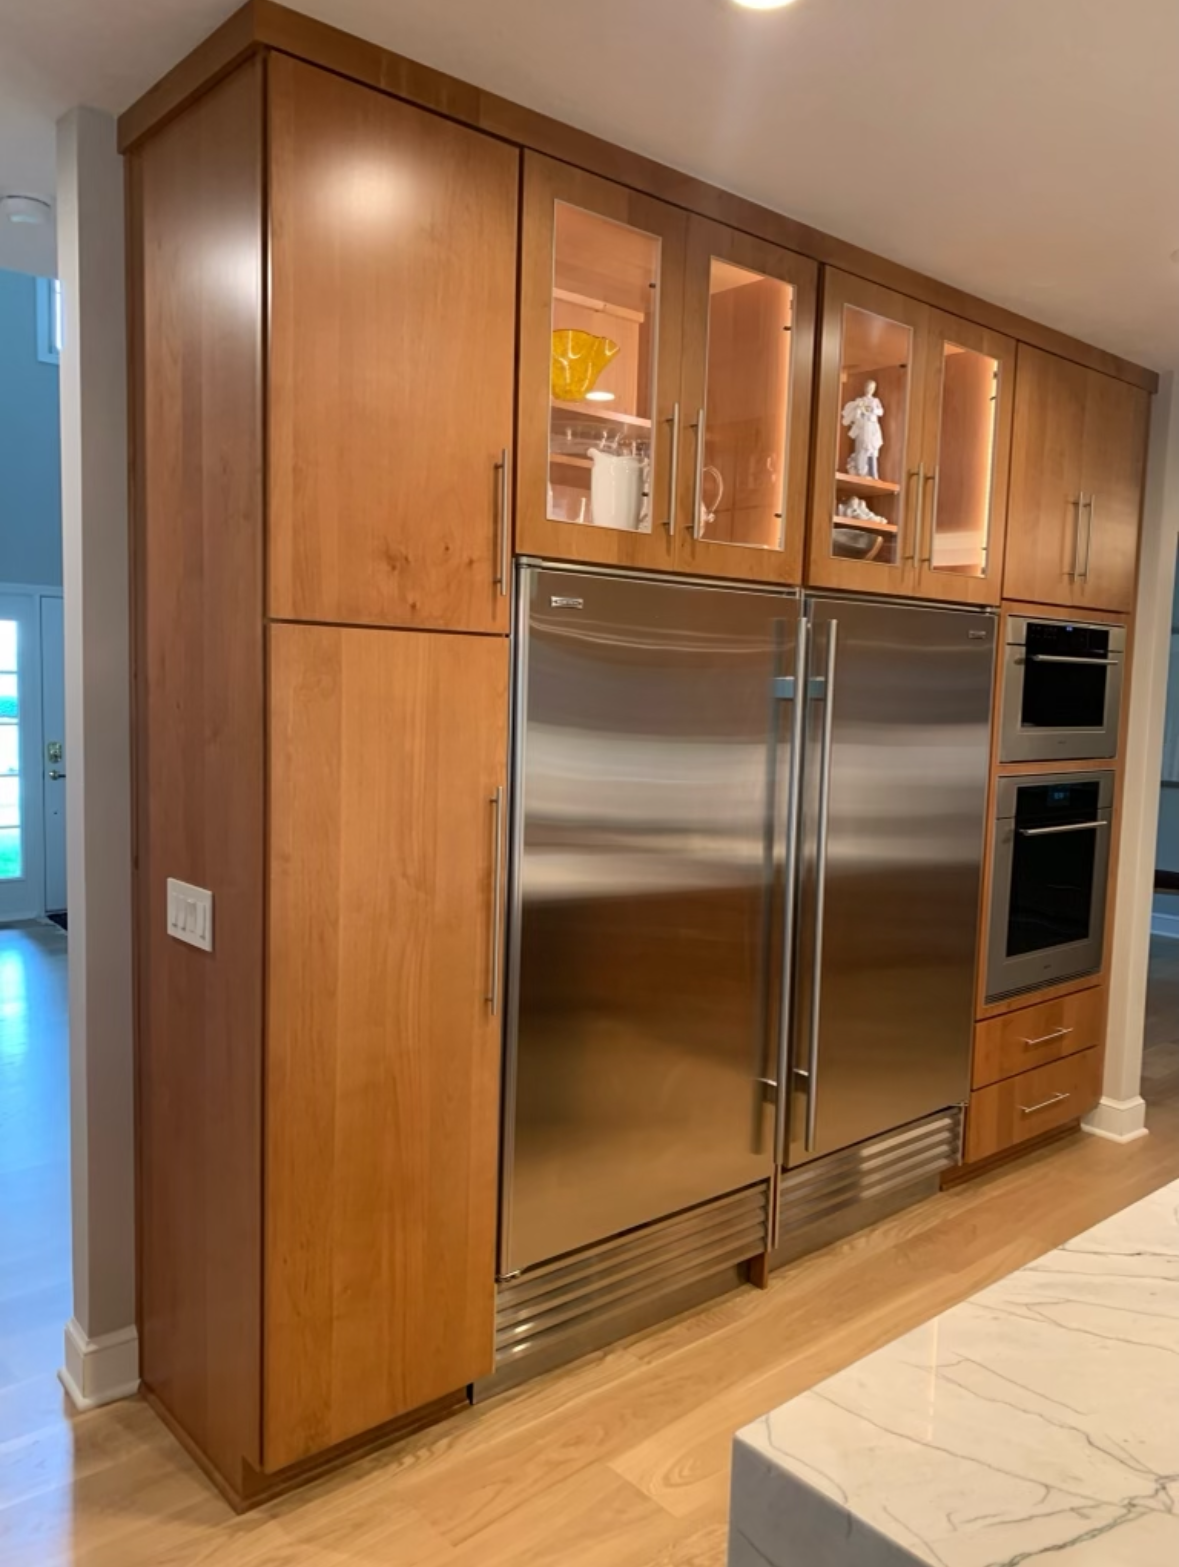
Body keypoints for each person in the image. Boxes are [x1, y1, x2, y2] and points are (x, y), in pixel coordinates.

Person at [842, 378, 885, 479]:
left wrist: (873, 410)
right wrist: (861, 412)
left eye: (872, 387)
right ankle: (861, 471)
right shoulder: (860, 401)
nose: (869, 389)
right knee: (863, 448)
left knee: (873, 450)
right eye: (868, 387)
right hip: (864, 427)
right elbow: (856, 416)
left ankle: (873, 473)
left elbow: (881, 412)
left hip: (873, 426)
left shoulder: (875, 401)